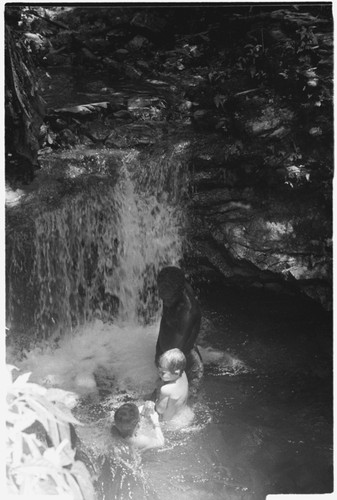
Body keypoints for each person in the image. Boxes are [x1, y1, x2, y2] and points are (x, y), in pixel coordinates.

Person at [155, 266, 204, 391]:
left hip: (186, 366)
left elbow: (176, 351)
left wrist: (163, 376)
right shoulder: (171, 290)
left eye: (168, 299)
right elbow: (165, 321)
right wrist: (158, 349)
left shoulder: (188, 313)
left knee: (180, 402)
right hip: (171, 362)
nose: (164, 302)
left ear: (179, 292)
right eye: (162, 297)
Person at [155, 348, 190, 424]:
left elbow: (160, 409)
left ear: (176, 373)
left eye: (163, 372)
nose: (159, 373)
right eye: (159, 369)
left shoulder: (166, 389)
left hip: (170, 425)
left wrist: (155, 402)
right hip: (184, 417)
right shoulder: (183, 374)